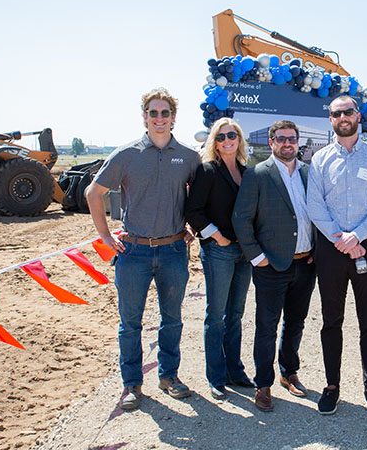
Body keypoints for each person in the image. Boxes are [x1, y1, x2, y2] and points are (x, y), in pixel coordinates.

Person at [85, 88, 200, 411]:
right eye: (154, 113)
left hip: (173, 251)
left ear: (174, 118)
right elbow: (94, 193)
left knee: (172, 319)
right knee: (130, 323)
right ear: (144, 117)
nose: (159, 119)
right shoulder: (126, 155)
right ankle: (132, 384)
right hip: (132, 252)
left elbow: (199, 198)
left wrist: (192, 227)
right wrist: (106, 236)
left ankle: (169, 377)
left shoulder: (189, 157)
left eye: (165, 113)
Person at [307, 95, 367, 418]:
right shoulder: (320, 160)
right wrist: (340, 238)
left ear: (358, 115)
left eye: (348, 111)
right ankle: (332, 387)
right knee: (331, 320)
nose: (343, 117)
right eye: (336, 113)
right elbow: (314, 205)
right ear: (330, 120)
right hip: (331, 249)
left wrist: (356, 236)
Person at [232, 120, 317, 412]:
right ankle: (263, 384)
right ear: (271, 142)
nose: (287, 143)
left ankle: (288, 372)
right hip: (271, 266)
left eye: (291, 139)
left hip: (305, 263)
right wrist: (257, 257)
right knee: (266, 326)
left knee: (296, 321)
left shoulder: (309, 173)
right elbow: (241, 219)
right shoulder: (258, 174)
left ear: (298, 141)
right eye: (281, 139)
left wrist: (316, 249)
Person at [184, 117, 253, 401]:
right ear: (214, 141)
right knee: (215, 316)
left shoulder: (248, 172)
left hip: (244, 253)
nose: (227, 140)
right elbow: (193, 211)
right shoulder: (207, 170)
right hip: (219, 251)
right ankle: (215, 376)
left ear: (239, 139)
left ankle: (234, 371)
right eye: (221, 136)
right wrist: (216, 236)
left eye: (232, 135)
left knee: (235, 315)